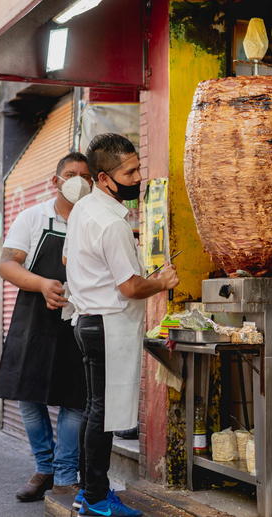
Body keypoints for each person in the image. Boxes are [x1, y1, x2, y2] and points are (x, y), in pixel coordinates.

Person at [65, 133, 178, 517]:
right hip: (107, 326)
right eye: (129, 172)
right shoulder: (112, 225)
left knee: (95, 409)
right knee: (104, 413)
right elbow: (130, 287)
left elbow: (70, 259)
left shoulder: (84, 209)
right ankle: (96, 499)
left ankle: (87, 491)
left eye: (138, 167)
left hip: (87, 322)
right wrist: (161, 282)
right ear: (102, 178)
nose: (137, 177)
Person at [0, 152, 93, 502]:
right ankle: (44, 468)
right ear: (56, 181)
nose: (78, 180)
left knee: (75, 398)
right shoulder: (34, 217)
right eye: (70, 174)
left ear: (94, 182)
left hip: (79, 318)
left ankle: (66, 476)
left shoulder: (94, 220)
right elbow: (6, 264)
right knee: (28, 395)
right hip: (34, 316)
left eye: (85, 175)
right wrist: (41, 284)